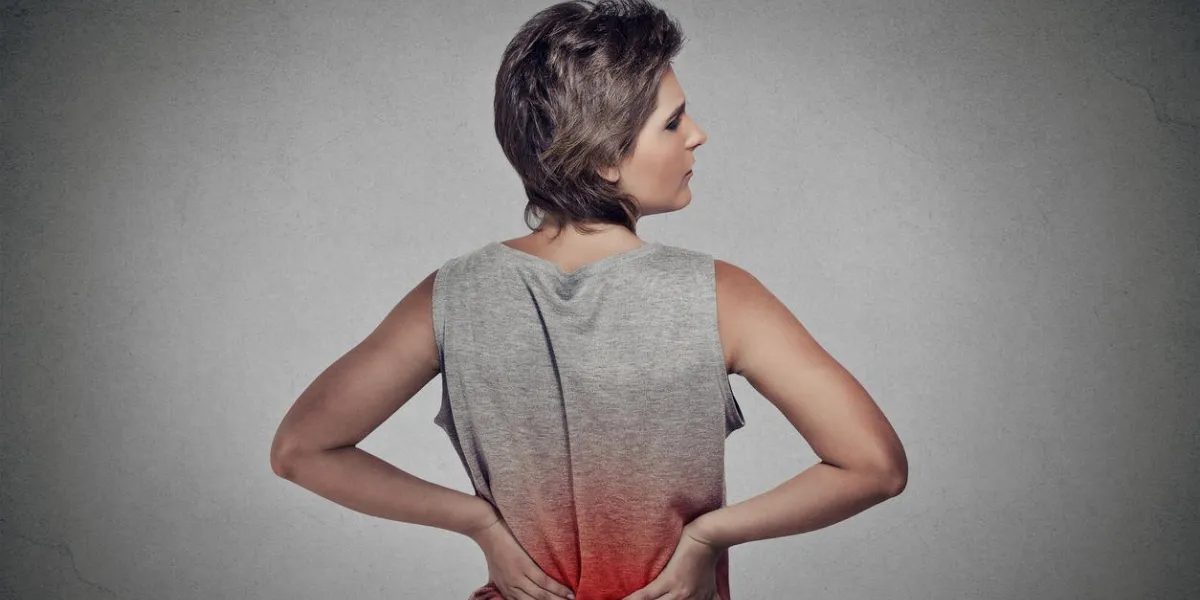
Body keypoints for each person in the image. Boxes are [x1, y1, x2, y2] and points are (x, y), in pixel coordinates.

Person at [269, 1, 908, 599]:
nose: (698, 135)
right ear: (605, 159)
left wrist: (479, 523)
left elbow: (301, 449)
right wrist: (709, 535)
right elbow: (875, 466)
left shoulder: (450, 295)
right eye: (673, 120)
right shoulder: (721, 295)